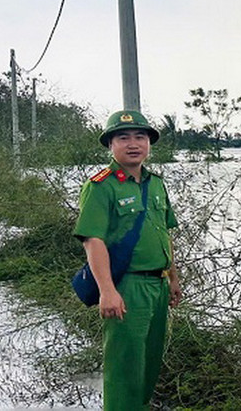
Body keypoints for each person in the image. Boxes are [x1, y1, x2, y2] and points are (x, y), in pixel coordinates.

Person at [73, 110, 182, 411]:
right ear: (110, 145)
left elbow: (164, 235)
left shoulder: (156, 184)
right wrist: (107, 290)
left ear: (148, 144)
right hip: (127, 286)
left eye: (140, 137)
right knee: (125, 368)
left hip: (157, 285)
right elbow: (92, 240)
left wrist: (173, 278)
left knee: (148, 365)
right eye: (123, 138)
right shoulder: (101, 185)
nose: (133, 144)